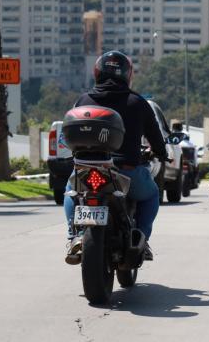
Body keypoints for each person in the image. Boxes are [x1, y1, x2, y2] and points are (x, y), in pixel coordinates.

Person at [63, 51, 168, 265]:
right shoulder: (138, 102)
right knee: (151, 196)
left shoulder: (84, 100)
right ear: (127, 75)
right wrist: (162, 153)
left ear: (97, 73)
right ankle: (142, 238)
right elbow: (156, 137)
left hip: (86, 168)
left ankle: (74, 235)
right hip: (125, 171)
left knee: (71, 192)